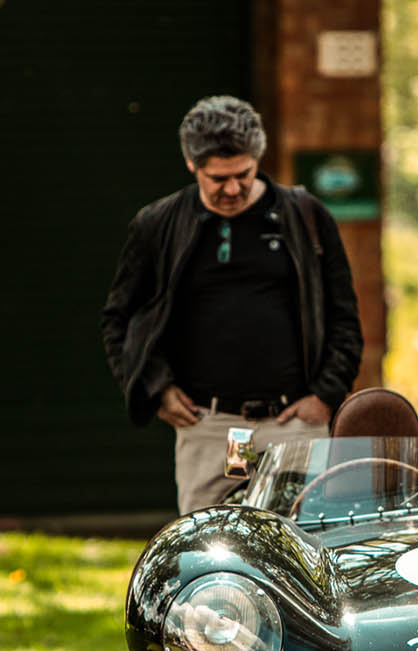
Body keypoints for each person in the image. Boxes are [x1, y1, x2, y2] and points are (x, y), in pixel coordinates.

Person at [101, 95, 363, 514]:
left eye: (243, 174)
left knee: (303, 546)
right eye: (218, 179)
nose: (233, 188)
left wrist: (326, 395)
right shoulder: (158, 225)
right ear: (192, 165)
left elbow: (344, 318)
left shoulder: (306, 216)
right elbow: (119, 319)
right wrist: (155, 388)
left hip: (292, 427)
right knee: (212, 547)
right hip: (214, 430)